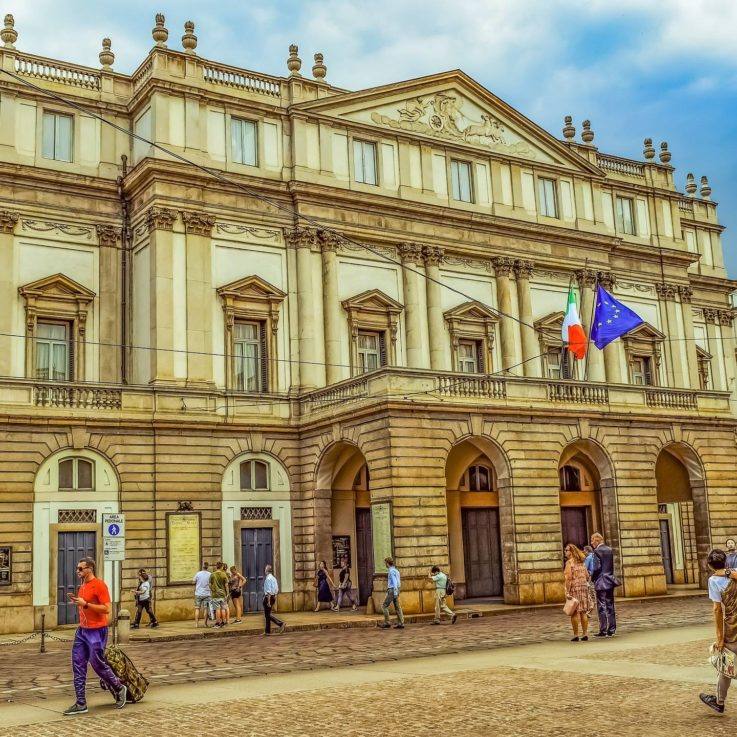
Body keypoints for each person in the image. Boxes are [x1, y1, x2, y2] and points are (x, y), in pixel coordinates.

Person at [63, 557, 127, 715]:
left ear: (89, 569)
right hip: (82, 631)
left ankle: (119, 687)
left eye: (80, 568)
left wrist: (85, 604)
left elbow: (106, 609)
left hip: (96, 631)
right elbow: (84, 605)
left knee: (97, 664)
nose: (77, 571)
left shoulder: (99, 585)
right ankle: (80, 703)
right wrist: (79, 602)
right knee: (78, 665)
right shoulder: (82, 586)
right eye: (77, 568)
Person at [700, 548, 737, 713]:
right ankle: (719, 701)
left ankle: (719, 702)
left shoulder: (713, 581)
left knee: (727, 665)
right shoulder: (734, 573)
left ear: (709, 565)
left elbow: (717, 610)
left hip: (732, 626)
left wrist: (720, 638)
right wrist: (728, 572)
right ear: (726, 561)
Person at [564, 543, 594, 642]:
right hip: (583, 587)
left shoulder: (569, 563)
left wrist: (567, 591)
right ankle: (585, 634)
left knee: (574, 613)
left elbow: (568, 578)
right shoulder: (581, 562)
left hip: (574, 588)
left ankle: (576, 635)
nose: (565, 552)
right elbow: (587, 576)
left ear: (571, 552)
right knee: (583, 612)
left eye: (566, 550)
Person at [590, 532, 617, 637]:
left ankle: (603, 630)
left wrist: (593, 578)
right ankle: (612, 629)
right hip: (610, 579)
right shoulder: (609, 550)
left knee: (601, 606)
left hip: (601, 581)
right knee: (610, 605)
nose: (591, 543)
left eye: (592, 540)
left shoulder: (597, 551)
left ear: (597, 540)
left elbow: (596, 568)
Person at [379, 557, 404, 629]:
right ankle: (401, 623)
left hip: (392, 590)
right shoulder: (396, 570)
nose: (385, 565)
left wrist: (395, 591)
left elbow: (394, 581)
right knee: (397, 607)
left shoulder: (391, 571)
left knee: (384, 606)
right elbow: (398, 582)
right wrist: (398, 590)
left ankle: (387, 622)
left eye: (385, 563)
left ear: (387, 563)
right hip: (396, 589)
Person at [263, 564, 286, 635]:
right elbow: (276, 589)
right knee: (267, 614)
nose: (265, 570)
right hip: (273, 597)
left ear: (266, 570)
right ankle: (267, 631)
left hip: (268, 598)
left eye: (265, 569)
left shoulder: (268, 579)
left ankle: (281, 623)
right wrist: (274, 598)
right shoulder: (274, 578)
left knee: (267, 615)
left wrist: (269, 602)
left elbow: (269, 591)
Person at [209, 562, 230, 628]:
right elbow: (226, 585)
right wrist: (227, 593)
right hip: (223, 594)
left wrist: (213, 590)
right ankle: (223, 622)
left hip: (215, 595)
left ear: (216, 566)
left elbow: (209, 584)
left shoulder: (212, 574)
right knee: (223, 609)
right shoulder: (224, 574)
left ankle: (218, 623)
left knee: (217, 609)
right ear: (221, 567)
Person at [193, 561, 212, 628]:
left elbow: (193, 581)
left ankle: (196, 624)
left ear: (202, 566)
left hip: (198, 593)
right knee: (206, 609)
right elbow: (211, 583)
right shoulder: (210, 574)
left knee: (197, 608)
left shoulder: (198, 574)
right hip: (207, 593)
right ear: (208, 567)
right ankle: (205, 623)